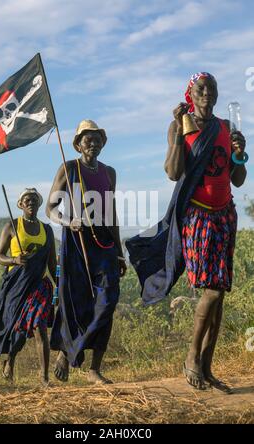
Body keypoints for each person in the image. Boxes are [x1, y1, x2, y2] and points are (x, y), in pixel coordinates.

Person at [126, 72, 247, 392]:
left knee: (220, 295)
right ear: (190, 94)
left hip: (225, 215)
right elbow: (172, 172)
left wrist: (240, 152)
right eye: (201, 89)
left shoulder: (225, 128)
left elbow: (238, 179)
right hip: (197, 216)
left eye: (212, 89)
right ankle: (192, 358)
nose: (207, 93)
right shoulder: (182, 126)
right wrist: (180, 133)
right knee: (213, 289)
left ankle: (207, 367)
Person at [46, 119, 126, 384]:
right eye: (87, 139)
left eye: (97, 139)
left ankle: (91, 367)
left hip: (104, 243)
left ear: (103, 143)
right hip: (76, 239)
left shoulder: (109, 172)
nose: (92, 143)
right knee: (76, 301)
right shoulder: (69, 168)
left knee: (108, 301)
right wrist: (69, 221)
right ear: (78, 144)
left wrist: (119, 251)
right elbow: (50, 208)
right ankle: (67, 353)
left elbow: (112, 213)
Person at [0, 188, 57, 386]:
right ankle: (10, 360)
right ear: (21, 205)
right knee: (18, 330)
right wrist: (14, 259)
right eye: (27, 200)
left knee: (39, 328)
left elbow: (51, 264)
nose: (31, 202)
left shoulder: (47, 230)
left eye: (34, 199)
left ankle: (44, 378)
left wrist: (61, 286)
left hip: (39, 286)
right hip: (16, 286)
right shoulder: (12, 226)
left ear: (39, 204)